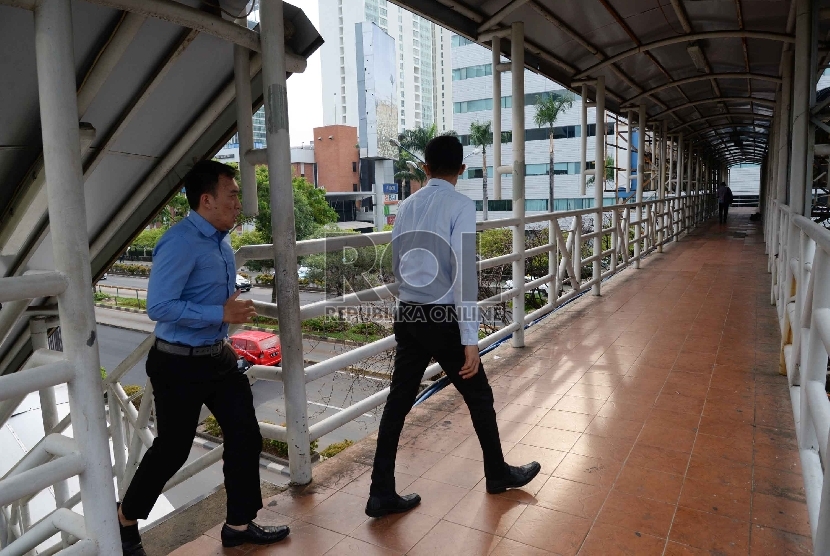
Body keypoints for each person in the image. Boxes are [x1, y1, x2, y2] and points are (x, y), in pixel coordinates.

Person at [117, 161, 289, 555]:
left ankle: (239, 524)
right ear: (207, 199)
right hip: (177, 363)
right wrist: (221, 315)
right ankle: (125, 517)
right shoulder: (179, 241)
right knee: (174, 448)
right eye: (232, 195)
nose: (237, 203)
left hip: (217, 357)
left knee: (245, 434)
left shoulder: (221, 240)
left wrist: (222, 327)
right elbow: (159, 306)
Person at [365, 135, 541, 518]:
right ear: (462, 169)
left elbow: (396, 264)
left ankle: (380, 492)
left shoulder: (407, 206)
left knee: (397, 404)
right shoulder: (461, 204)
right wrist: (470, 340)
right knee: (479, 395)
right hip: (441, 317)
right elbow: (463, 277)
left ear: (425, 169)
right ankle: (496, 473)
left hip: (409, 313)